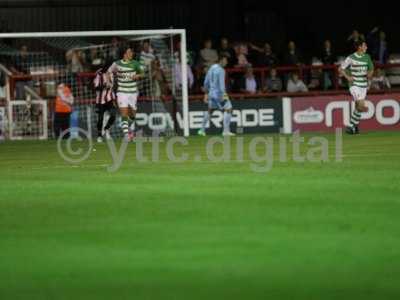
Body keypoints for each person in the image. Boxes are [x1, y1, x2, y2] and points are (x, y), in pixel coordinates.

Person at [107, 47, 144, 141]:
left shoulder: (136, 63)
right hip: (122, 92)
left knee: (133, 116)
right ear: (124, 54)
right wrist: (109, 83)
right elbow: (108, 72)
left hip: (133, 92)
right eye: (129, 52)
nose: (131, 53)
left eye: (131, 51)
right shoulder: (117, 64)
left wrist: (137, 76)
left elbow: (142, 74)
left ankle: (127, 130)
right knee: (124, 114)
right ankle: (127, 135)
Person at [339, 40, 374, 135]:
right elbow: (340, 69)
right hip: (354, 85)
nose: (366, 47)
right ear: (359, 47)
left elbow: (371, 69)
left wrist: (369, 75)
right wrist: (347, 77)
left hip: (363, 85)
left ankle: (354, 127)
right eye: (364, 45)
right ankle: (350, 127)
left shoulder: (367, 57)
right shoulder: (351, 57)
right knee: (360, 105)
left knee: (359, 108)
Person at [198, 55, 234, 136]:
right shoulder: (221, 70)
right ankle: (225, 131)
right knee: (229, 109)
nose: (226, 62)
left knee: (210, 110)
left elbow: (206, 81)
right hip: (219, 94)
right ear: (221, 60)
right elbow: (221, 85)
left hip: (211, 94)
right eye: (225, 60)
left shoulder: (211, 68)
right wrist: (224, 95)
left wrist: (206, 93)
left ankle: (201, 130)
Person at [93, 63, 116, 143]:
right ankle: (99, 135)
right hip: (100, 100)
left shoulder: (111, 74)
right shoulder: (99, 75)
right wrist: (103, 86)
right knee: (100, 118)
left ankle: (106, 129)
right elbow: (95, 87)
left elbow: (112, 86)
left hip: (109, 99)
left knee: (113, 115)